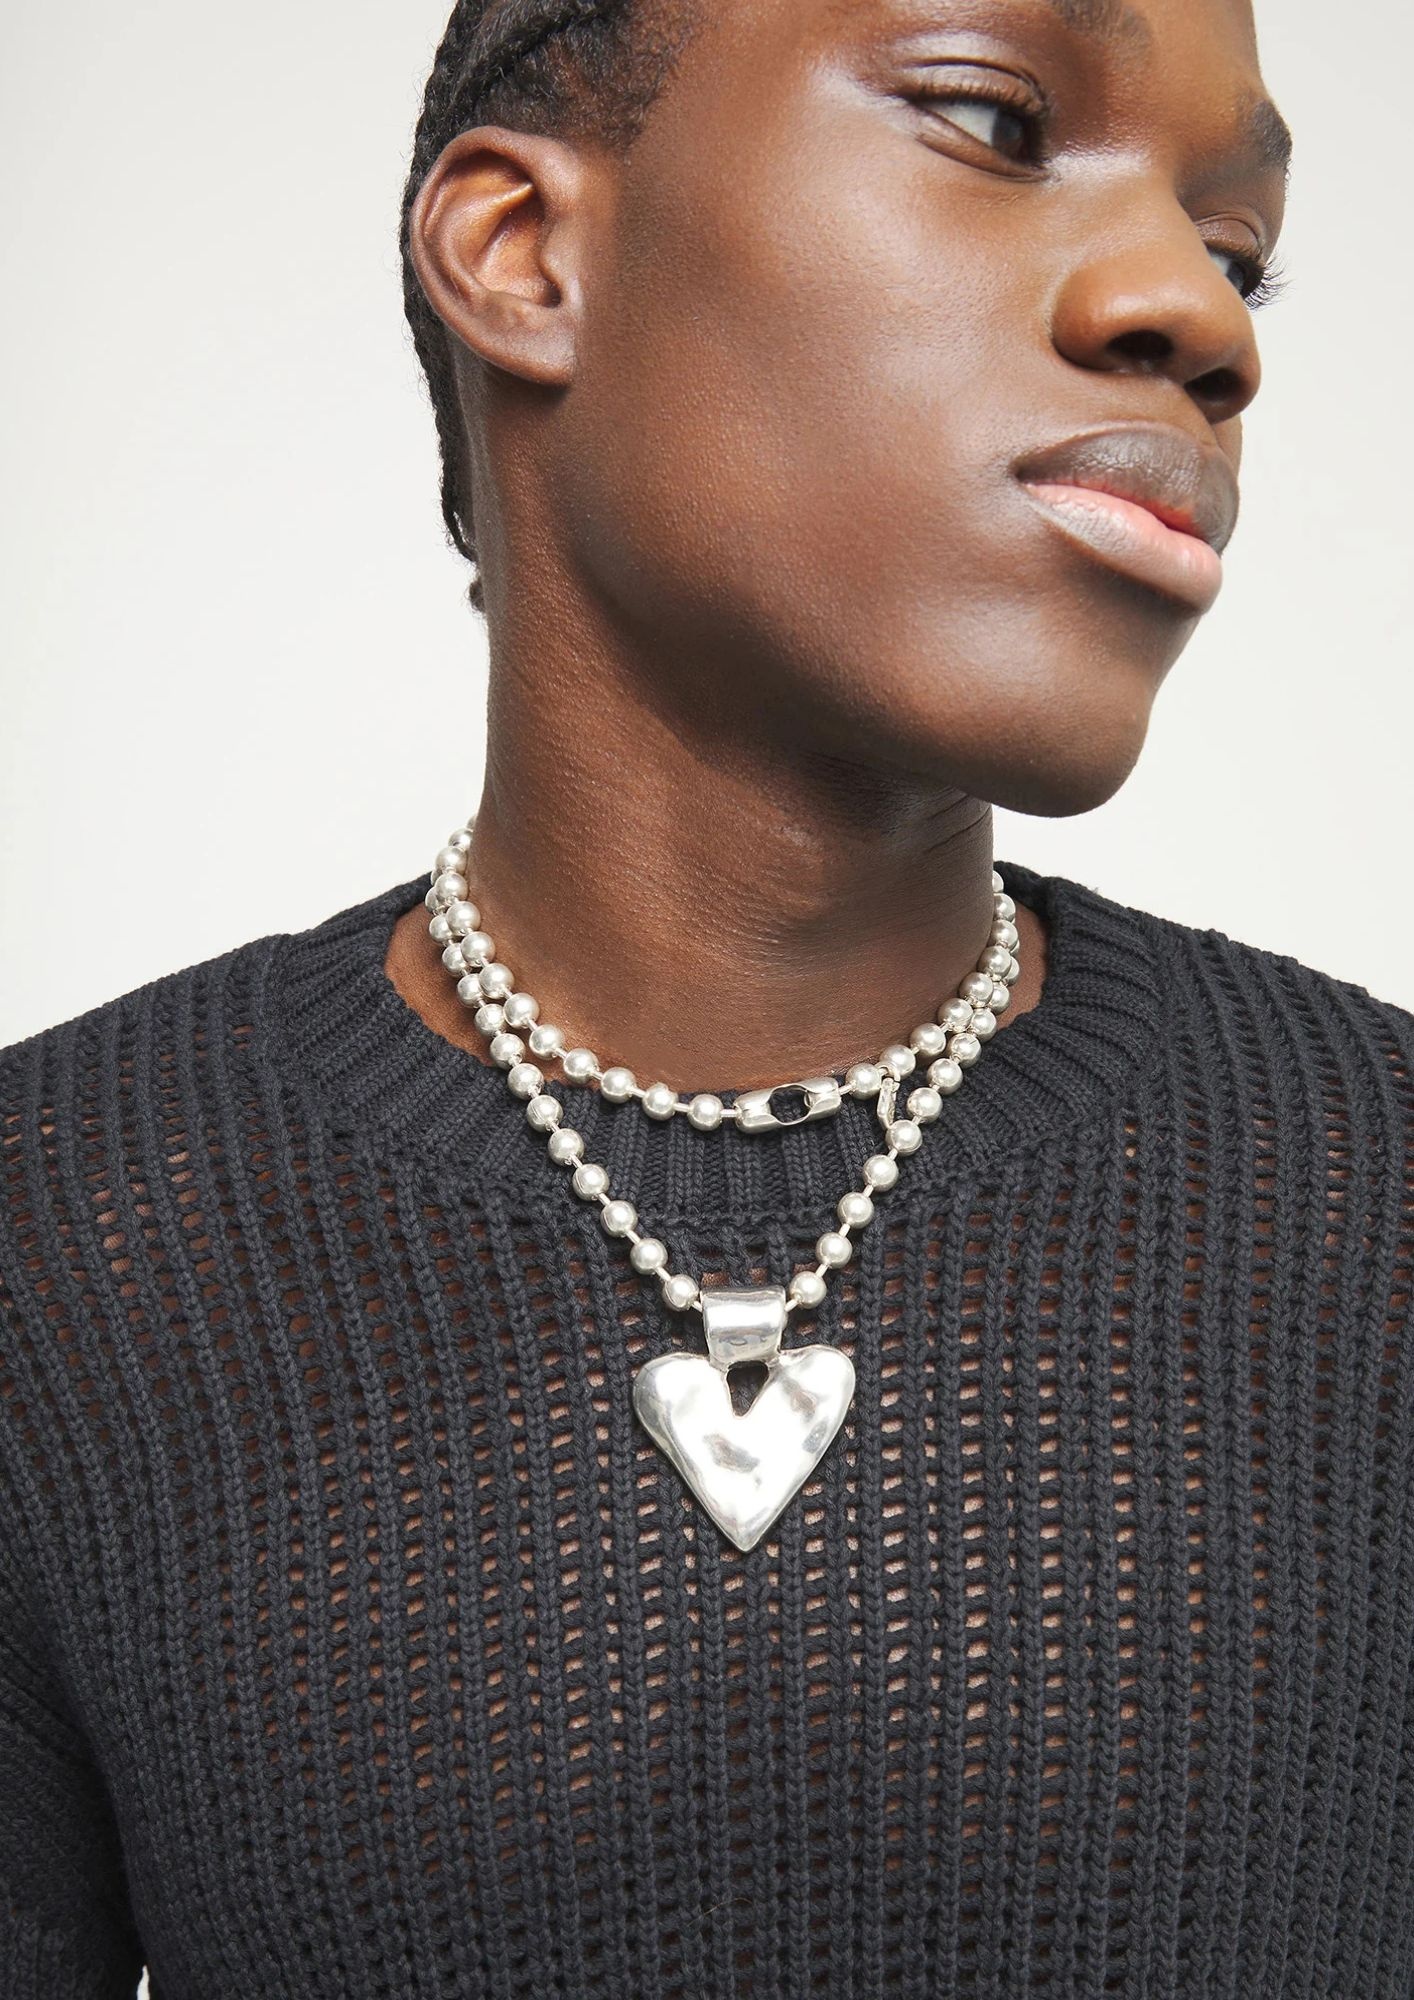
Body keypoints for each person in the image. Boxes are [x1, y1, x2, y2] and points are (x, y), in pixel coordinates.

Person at [2, 0, 1411, 1994]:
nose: (1195, 317)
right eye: (991, 121)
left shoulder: (1377, 1202)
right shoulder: (57, 1254)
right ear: (526, 255)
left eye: (1235, 249)